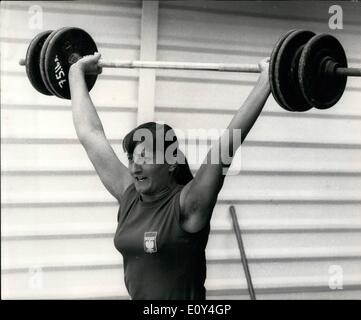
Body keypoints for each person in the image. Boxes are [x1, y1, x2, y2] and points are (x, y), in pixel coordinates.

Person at [68, 53, 271, 300]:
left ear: (172, 162)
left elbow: (227, 145)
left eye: (145, 157)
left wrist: (266, 81)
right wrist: (75, 73)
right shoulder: (129, 194)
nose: (134, 167)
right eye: (132, 158)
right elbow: (90, 135)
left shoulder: (188, 204)